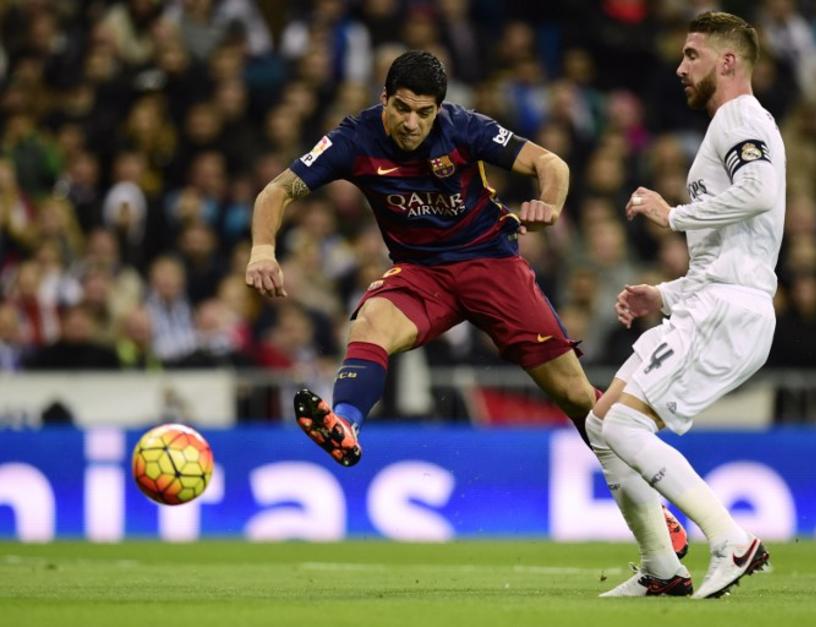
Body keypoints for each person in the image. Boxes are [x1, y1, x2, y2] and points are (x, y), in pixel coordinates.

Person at [245, 50, 687, 554]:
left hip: (491, 265)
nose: (412, 123)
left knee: (580, 401)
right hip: (421, 272)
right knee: (369, 323)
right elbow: (276, 191)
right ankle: (346, 422)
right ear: (383, 99)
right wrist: (262, 249)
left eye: (424, 112)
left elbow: (550, 162)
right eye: (403, 108)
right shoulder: (353, 139)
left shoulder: (463, 128)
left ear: (439, 109)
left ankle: (656, 506)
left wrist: (551, 203)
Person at [589, 12, 783, 598]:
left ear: (728, 61)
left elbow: (760, 192)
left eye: (692, 54)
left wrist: (671, 215)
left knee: (624, 423)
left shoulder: (740, 117)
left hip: (730, 309)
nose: (680, 66)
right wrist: (663, 293)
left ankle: (730, 541)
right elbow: (730, 250)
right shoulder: (727, 125)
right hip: (713, 299)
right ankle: (662, 569)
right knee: (603, 423)